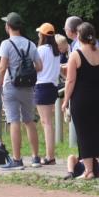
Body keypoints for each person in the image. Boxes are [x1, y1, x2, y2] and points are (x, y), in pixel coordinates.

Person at [62, 22, 99, 179]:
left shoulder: (76, 55)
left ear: (79, 36)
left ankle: (88, 171)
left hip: (81, 97)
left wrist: (65, 100)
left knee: (84, 133)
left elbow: (70, 81)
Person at [0, 12, 43, 169]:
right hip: (28, 88)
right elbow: (39, 66)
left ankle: (17, 159)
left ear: (8, 26)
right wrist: (26, 70)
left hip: (11, 87)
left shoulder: (6, 44)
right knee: (29, 121)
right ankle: (35, 158)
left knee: (14, 121)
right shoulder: (30, 44)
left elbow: (2, 67)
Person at [34, 23, 60, 165]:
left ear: (42, 35)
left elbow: (37, 67)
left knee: (46, 123)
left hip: (42, 86)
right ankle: (50, 155)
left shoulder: (41, 50)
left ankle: (50, 156)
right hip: (52, 87)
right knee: (47, 121)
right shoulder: (55, 50)